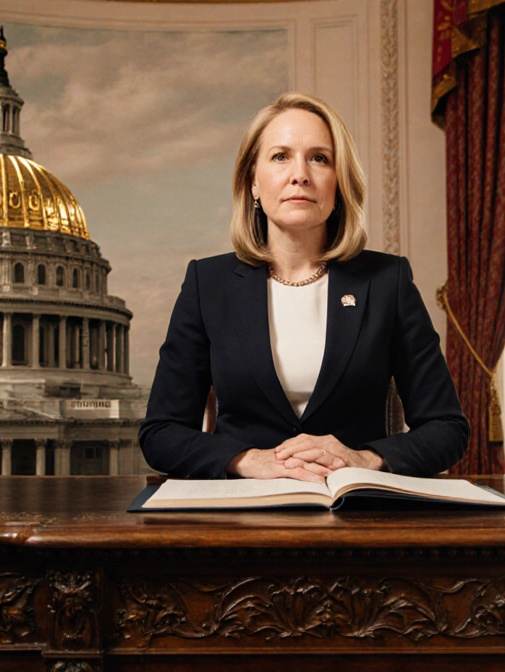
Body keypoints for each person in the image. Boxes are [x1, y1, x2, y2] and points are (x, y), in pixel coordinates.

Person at [139, 92, 468, 482]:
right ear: (254, 183)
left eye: (319, 158)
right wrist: (247, 460)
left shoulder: (387, 282)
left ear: (339, 182)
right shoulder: (207, 284)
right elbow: (161, 434)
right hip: (238, 517)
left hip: (358, 513)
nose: (300, 174)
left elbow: (447, 429)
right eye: (280, 157)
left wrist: (366, 459)